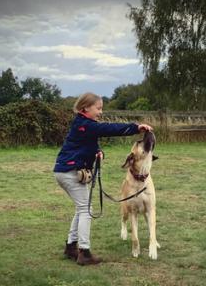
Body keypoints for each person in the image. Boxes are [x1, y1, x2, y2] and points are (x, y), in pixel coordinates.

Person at [54, 92, 153, 265]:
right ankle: (84, 252)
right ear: (85, 108)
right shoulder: (86, 124)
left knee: (82, 208)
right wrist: (135, 128)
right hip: (69, 172)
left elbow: (90, 141)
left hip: (65, 171)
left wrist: (97, 151)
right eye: (98, 108)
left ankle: (71, 246)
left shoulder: (83, 124)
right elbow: (108, 129)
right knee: (85, 209)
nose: (100, 112)